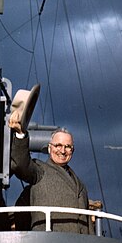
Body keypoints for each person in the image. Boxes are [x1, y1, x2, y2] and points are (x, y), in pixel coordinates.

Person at [9, 86, 92, 234]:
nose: (62, 150)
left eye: (68, 147)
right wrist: (20, 135)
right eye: (58, 145)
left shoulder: (81, 185)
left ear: (72, 150)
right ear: (49, 148)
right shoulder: (39, 171)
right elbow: (20, 165)